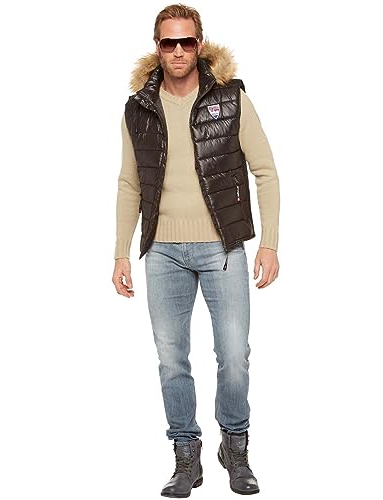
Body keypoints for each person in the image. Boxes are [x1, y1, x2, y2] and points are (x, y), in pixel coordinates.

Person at [112, 4, 280, 497]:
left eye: (187, 41)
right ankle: (186, 454)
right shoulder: (138, 109)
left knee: (234, 355)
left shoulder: (231, 98)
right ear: (157, 48)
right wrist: (121, 252)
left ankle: (235, 445)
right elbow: (128, 183)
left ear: (199, 44)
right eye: (169, 43)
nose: (179, 51)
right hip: (162, 251)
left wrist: (269, 243)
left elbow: (266, 172)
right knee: (171, 359)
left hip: (222, 246)